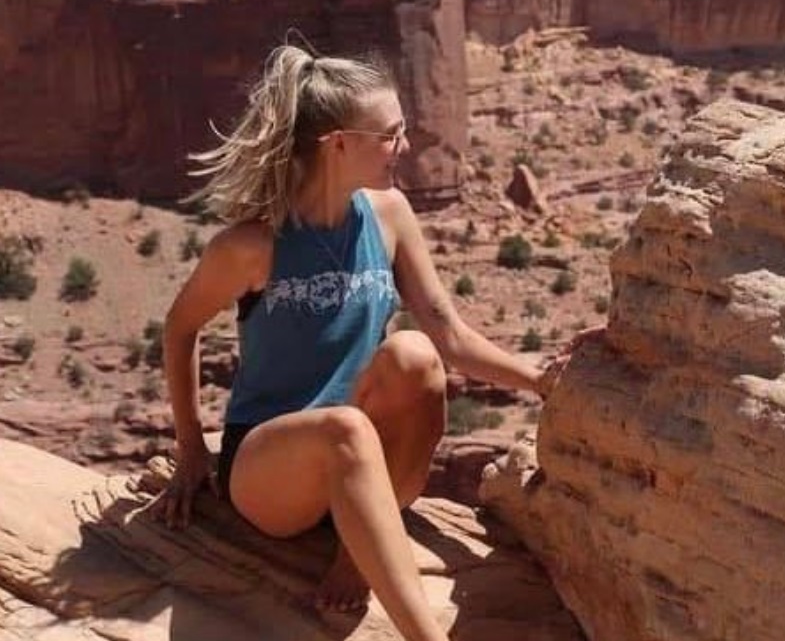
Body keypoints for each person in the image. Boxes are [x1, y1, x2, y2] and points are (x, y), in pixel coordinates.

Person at [156, 44, 557, 641]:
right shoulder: (252, 245)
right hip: (272, 470)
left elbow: (449, 334)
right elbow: (180, 328)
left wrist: (541, 379)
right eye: (391, 135)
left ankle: (356, 554)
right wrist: (191, 445)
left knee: (415, 355)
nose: (406, 146)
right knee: (344, 429)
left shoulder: (390, 215)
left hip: (370, 457)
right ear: (338, 143)